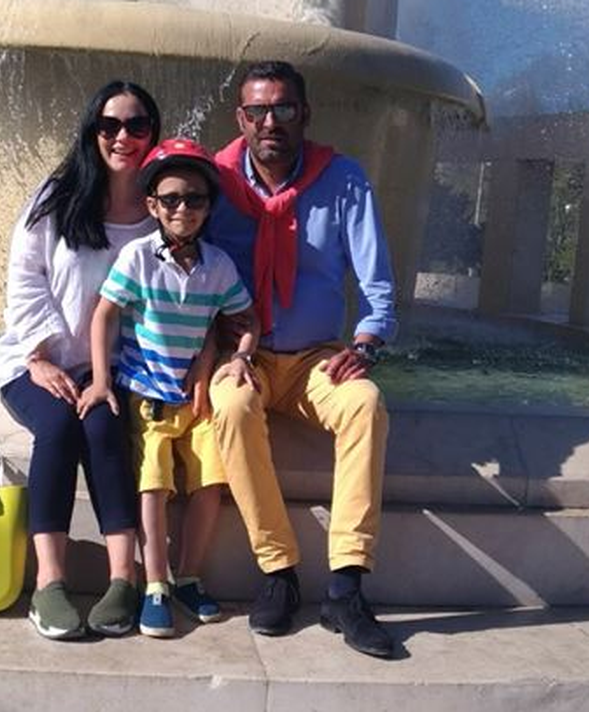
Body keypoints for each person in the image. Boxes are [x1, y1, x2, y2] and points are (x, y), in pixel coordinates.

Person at [206, 60, 397, 658]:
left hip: (318, 357)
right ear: (241, 118)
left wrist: (365, 344)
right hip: (245, 355)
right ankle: (278, 572)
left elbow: (377, 285)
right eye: (257, 111)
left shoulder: (343, 179)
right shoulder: (215, 180)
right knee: (230, 407)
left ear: (304, 114)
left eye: (283, 109)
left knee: (365, 404)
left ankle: (346, 586)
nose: (271, 122)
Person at [0, 80, 162, 640]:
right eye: (110, 125)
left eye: (136, 125)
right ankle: (49, 584)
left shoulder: (163, 207)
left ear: (152, 132)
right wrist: (38, 355)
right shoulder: (58, 196)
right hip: (35, 360)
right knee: (59, 424)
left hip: (113, 368)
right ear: (92, 131)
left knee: (104, 428)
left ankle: (123, 580)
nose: (123, 137)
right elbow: (24, 277)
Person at [80, 137, 259, 638]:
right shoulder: (138, 257)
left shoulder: (217, 265)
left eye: (195, 199)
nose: (183, 208)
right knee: (154, 483)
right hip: (148, 394)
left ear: (209, 205)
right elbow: (104, 314)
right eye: (172, 199)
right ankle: (155, 582)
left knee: (210, 481)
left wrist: (239, 356)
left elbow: (246, 318)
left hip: (196, 401)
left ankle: (189, 575)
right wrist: (101, 381)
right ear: (152, 205)